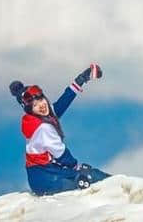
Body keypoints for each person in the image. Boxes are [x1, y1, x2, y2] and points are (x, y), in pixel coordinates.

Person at [9, 64, 111, 195]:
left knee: (87, 174)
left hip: (44, 173)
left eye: (40, 99)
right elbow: (60, 153)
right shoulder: (43, 128)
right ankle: (118, 188)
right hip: (47, 179)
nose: (41, 105)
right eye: (34, 105)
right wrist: (75, 166)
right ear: (30, 110)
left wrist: (81, 79)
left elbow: (62, 104)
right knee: (88, 177)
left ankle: (116, 184)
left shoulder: (40, 118)